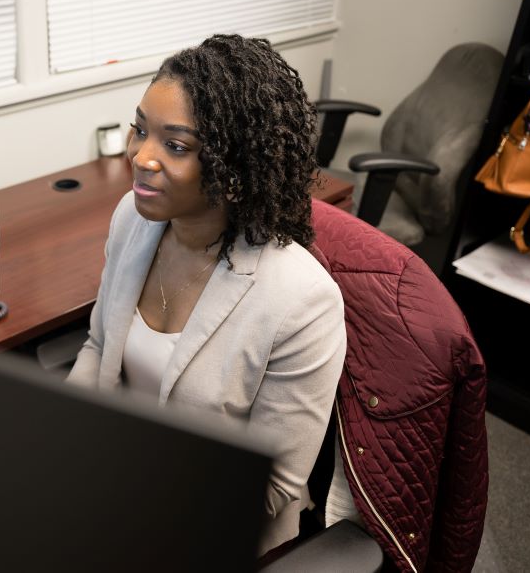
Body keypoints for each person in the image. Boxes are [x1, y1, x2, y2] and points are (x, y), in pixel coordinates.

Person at [66, 34, 347, 555]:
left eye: (175, 145)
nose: (140, 157)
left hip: (210, 527)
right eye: (140, 129)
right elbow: (100, 348)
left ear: (233, 171)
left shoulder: (304, 303)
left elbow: (273, 484)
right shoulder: (133, 220)